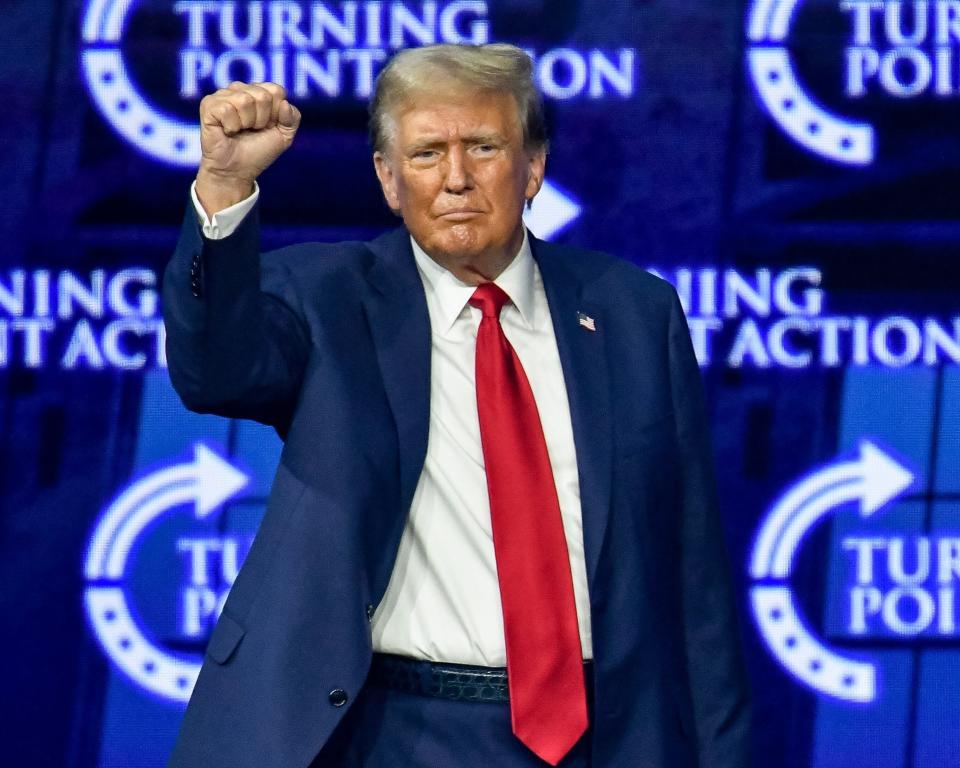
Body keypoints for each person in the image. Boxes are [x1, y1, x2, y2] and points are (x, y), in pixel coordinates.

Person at [163, 43, 750, 768]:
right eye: (426, 154)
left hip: (606, 734)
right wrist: (222, 188)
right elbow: (214, 372)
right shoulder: (327, 297)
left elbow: (694, 575)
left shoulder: (634, 314)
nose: (455, 180)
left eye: (483, 147)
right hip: (385, 734)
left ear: (533, 165)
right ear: (387, 178)